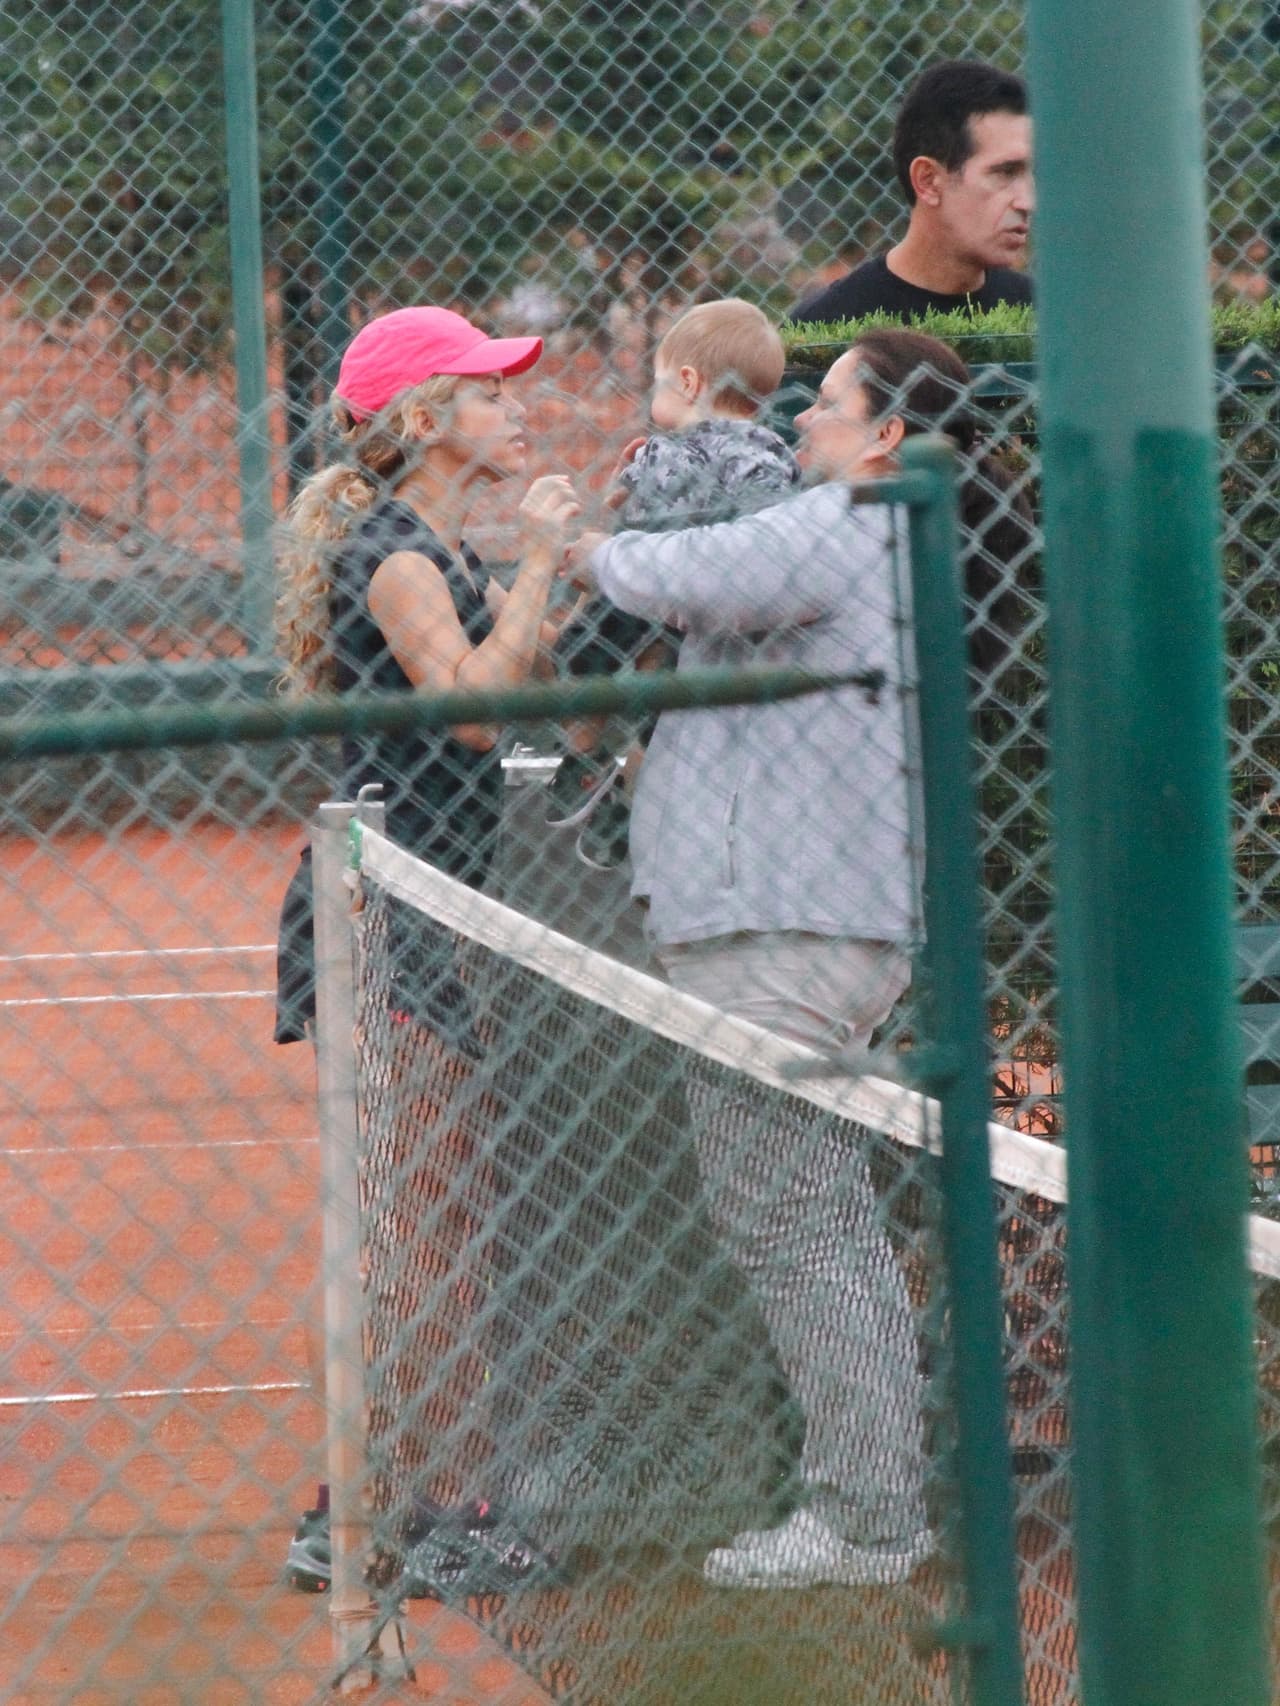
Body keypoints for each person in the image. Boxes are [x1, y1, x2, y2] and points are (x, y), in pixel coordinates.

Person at [568, 327, 1031, 1590]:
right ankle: (873, 1501)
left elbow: (697, 570)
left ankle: (868, 1517)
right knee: (812, 1218)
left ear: (885, 434)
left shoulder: (850, 522)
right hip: (780, 916)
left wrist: (575, 544)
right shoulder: (854, 528)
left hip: (784, 925)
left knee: (792, 1221)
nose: (796, 424)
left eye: (822, 404)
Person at [272, 303, 579, 1594]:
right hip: (386, 917)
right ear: (426, 421)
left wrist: (546, 580)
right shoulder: (398, 554)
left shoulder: (437, 544)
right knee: (427, 1223)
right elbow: (467, 712)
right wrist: (551, 560)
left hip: (436, 908)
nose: (517, 409)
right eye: (491, 392)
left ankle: (383, 1495)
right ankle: (410, 1503)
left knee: (441, 1221)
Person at [545, 298, 800, 869]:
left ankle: (588, 764)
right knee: (644, 682)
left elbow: (622, 508)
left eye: (658, 382)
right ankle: (608, 778)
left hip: (659, 587)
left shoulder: (713, 449)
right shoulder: (748, 448)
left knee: (585, 657)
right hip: (679, 589)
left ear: (688, 381)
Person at [791, 60, 1033, 324]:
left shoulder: (1046, 320)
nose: (1028, 202)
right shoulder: (828, 326)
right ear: (928, 181)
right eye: (1005, 173)